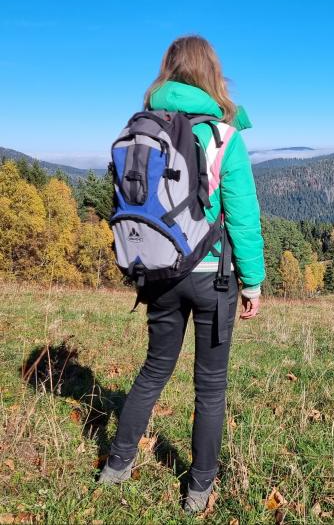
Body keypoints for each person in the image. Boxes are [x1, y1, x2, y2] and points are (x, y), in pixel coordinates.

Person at [98, 35, 265, 513]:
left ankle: (117, 465)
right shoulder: (223, 137)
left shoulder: (143, 128)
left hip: (161, 271)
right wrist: (252, 282)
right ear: (212, 74)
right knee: (210, 385)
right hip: (214, 278)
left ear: (167, 71)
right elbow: (243, 218)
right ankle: (198, 489)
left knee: (153, 371)